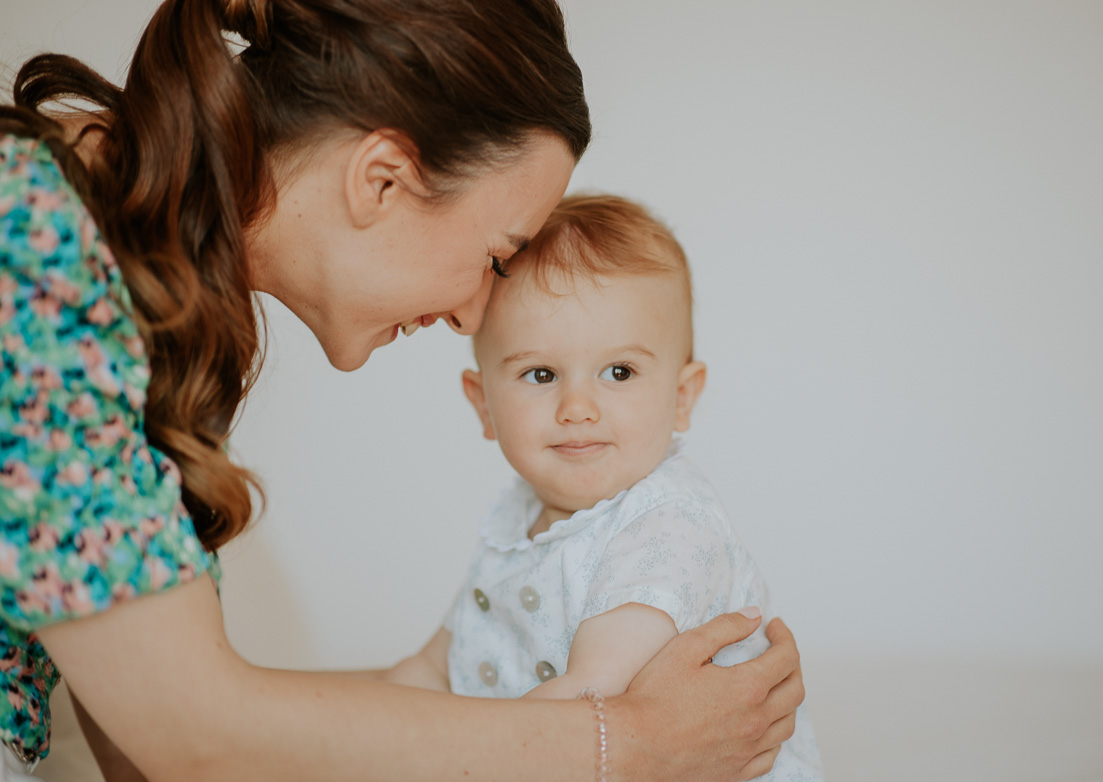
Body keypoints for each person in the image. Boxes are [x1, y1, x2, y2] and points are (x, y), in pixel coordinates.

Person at [0, 0, 807, 780]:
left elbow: (158, 746)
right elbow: (191, 735)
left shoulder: (133, 280)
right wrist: (630, 746)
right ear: (380, 180)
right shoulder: (36, 246)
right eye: (497, 257)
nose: (472, 316)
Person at [385, 194, 824, 780]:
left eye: (619, 372)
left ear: (682, 396)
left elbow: (589, 699)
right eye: (540, 374)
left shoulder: (669, 524)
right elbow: (436, 666)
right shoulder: (514, 522)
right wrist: (370, 734)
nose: (577, 407)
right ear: (483, 403)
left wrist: (445, 759)